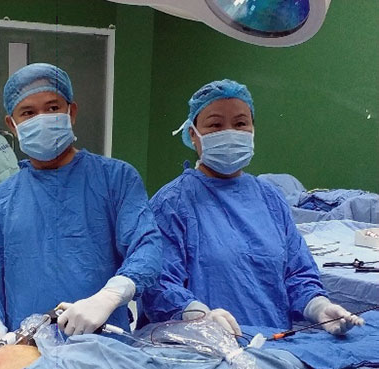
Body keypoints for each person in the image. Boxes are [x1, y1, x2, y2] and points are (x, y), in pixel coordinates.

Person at [139, 79, 364, 336]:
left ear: (253, 129)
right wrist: (197, 315)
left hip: (272, 346)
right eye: (215, 124)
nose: (230, 132)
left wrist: (318, 306)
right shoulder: (172, 204)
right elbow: (157, 285)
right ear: (193, 134)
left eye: (240, 123)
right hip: (198, 352)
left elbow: (297, 272)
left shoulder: (271, 199)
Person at [0, 63, 163, 346]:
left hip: (106, 348)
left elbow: (146, 246)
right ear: (12, 124)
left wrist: (110, 296)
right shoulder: (0, 201)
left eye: (52, 107)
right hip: (28, 350)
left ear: (71, 112)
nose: (42, 118)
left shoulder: (115, 179)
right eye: (28, 113)